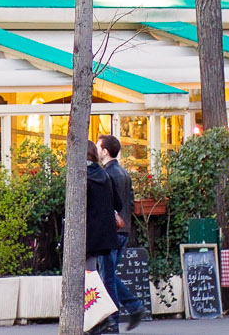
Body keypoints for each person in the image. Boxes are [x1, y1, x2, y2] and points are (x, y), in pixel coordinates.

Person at [97, 135, 144, 332]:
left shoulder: (107, 175)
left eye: (99, 147)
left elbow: (107, 204)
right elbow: (130, 204)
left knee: (106, 278)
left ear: (105, 151)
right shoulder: (123, 173)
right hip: (123, 229)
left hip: (112, 231)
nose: (97, 150)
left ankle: (113, 321)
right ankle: (133, 307)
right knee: (108, 276)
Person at [85, 141, 122, 335]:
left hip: (89, 237)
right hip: (107, 236)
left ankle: (94, 320)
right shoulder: (106, 176)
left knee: (89, 279)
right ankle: (111, 321)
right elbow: (119, 203)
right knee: (108, 279)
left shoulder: (81, 177)